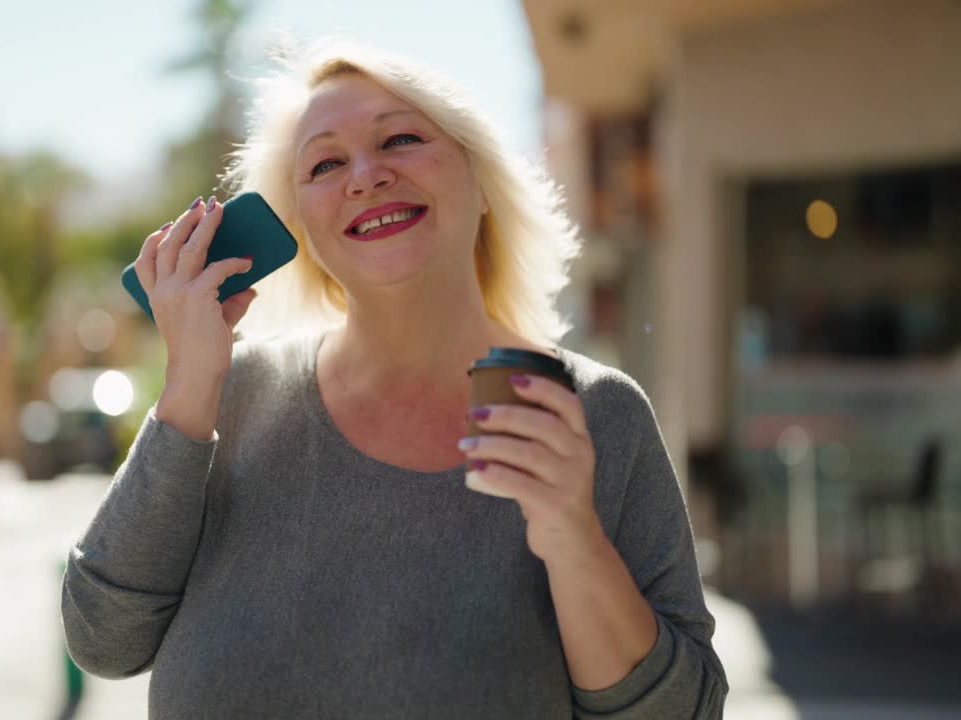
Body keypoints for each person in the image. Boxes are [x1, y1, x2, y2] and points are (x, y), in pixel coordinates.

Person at [62, 38, 727, 719]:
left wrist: (571, 538)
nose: (364, 175)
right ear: (302, 227)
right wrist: (188, 390)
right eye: (324, 162)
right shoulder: (228, 398)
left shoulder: (595, 413)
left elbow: (684, 712)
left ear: (483, 184)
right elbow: (103, 641)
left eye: (401, 139)